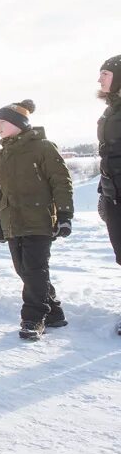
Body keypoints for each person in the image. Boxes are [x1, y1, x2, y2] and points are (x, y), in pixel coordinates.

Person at [0, 100, 73, 340]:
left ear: (18, 123)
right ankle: (54, 312)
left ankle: (33, 318)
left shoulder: (43, 148)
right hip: (11, 221)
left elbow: (61, 182)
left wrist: (65, 214)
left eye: (2, 122)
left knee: (35, 269)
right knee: (24, 270)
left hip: (39, 218)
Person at [95, 54, 121, 335]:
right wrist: (104, 190)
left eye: (105, 73)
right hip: (114, 193)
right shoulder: (111, 109)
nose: (100, 79)